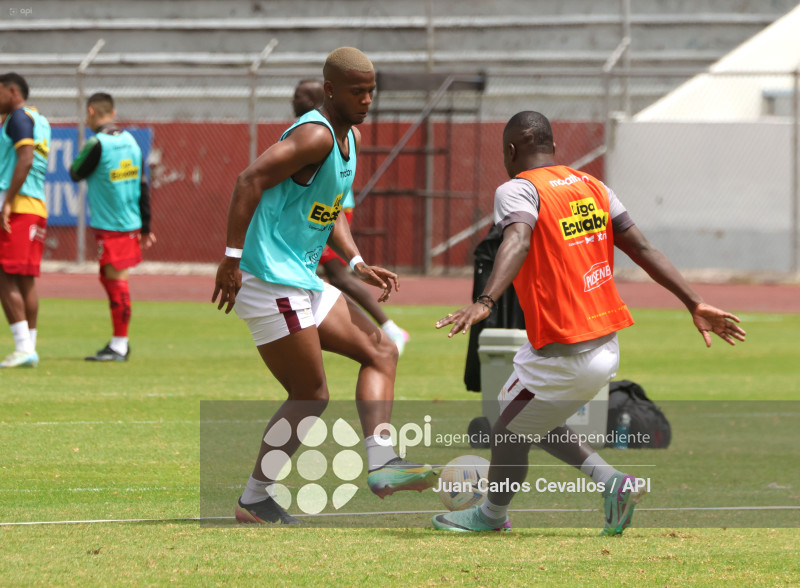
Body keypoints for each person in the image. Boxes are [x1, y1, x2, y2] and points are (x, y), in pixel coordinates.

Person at [433, 111, 746, 535]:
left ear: (510, 151)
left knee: (506, 430)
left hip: (563, 352)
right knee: (530, 421)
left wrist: (486, 300)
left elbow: (518, 239)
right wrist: (695, 301)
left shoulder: (517, 189)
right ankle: (612, 482)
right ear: (554, 148)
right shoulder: (593, 186)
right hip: (605, 346)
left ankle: (489, 516)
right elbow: (643, 247)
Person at [212, 47, 437, 525]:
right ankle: (255, 497)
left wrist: (356, 260)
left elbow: (327, 210)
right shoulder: (315, 134)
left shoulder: (348, 138)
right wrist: (231, 260)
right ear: (331, 90)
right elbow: (248, 180)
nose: (368, 100)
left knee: (381, 350)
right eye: (358, 91)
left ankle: (382, 463)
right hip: (269, 279)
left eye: (372, 91)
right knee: (310, 393)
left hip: (301, 280)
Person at [292, 78, 410, 354]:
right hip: (316, 211)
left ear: (317, 97)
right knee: (328, 275)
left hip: (331, 211)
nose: (294, 97)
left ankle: (390, 329)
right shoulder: (307, 130)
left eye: (301, 93)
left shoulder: (324, 132)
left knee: (339, 275)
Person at [69, 92, 155, 361]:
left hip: (111, 225)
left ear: (91, 112)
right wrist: (146, 226)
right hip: (130, 222)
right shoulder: (131, 141)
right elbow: (143, 184)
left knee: (116, 282)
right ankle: (119, 341)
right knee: (110, 279)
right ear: (113, 113)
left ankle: (119, 344)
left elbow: (75, 172)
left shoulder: (96, 143)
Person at [0, 73, 51, 368]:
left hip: (17, 206)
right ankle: (28, 347)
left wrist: (6, 203)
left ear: (12, 90)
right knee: (26, 280)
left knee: (4, 275)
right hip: (36, 205)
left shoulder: (18, 118)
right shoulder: (39, 119)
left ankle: (23, 347)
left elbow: (26, 158)